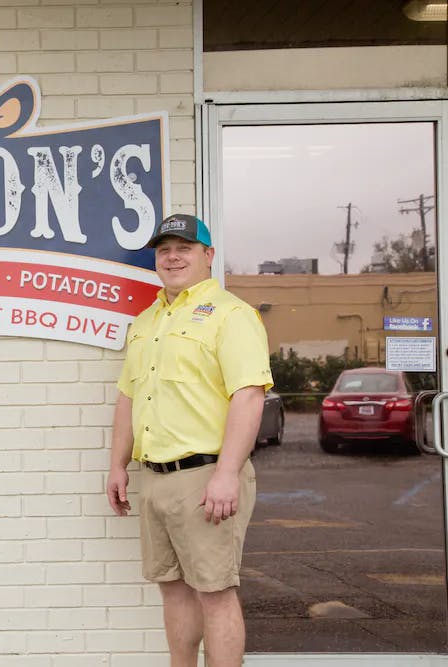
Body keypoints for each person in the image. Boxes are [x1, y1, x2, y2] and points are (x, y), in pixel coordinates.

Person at [106, 213, 272, 667]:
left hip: (206, 478)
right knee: (174, 592)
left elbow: (249, 396)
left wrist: (226, 474)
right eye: (164, 250)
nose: (173, 257)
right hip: (155, 479)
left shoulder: (231, 315)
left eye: (184, 248)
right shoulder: (145, 322)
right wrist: (118, 464)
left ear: (208, 256)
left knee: (216, 594)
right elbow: (128, 398)